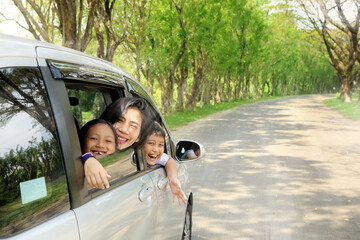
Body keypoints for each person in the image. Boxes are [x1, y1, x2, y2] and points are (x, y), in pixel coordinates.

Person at [83, 97, 186, 204]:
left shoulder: (140, 154)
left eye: (133, 126)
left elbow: (168, 160)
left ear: (139, 137)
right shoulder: (89, 144)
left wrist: (173, 179)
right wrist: (87, 159)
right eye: (119, 120)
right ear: (107, 122)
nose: (124, 129)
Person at [140, 121, 187, 205]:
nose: (156, 149)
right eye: (151, 143)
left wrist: (173, 179)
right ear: (140, 144)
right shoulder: (138, 157)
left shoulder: (155, 156)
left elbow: (169, 160)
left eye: (161, 145)